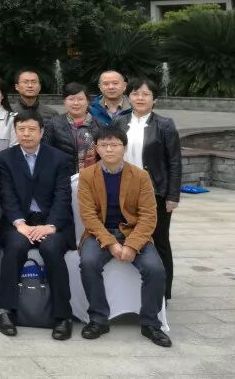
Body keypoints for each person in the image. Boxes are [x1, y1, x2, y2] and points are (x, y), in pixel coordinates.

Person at [78, 126, 171, 347]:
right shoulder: (87, 175)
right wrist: (111, 243)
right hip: (99, 233)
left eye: (115, 144)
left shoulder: (140, 176)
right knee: (88, 262)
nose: (109, 149)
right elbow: (88, 216)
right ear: (96, 149)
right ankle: (98, 319)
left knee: (156, 269)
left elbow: (148, 216)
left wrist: (132, 245)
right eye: (104, 145)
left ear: (124, 148)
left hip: (133, 232)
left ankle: (150, 323)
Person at [0, 109, 75, 340]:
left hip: (52, 222)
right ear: (15, 131)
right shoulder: (5, 158)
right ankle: (7, 311)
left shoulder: (59, 158)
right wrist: (20, 224)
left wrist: (51, 226)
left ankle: (63, 316)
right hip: (18, 222)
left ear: (41, 131)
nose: (26, 134)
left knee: (51, 248)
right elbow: (6, 195)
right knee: (15, 247)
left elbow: (62, 196)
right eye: (21, 129)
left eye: (31, 129)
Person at [116, 78, 182, 300]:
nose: (140, 98)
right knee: (127, 238)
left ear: (155, 99)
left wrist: (173, 196)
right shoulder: (119, 122)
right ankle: (132, 290)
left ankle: (163, 293)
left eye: (146, 94)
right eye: (135, 93)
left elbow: (174, 162)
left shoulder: (165, 125)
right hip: (123, 192)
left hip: (155, 193)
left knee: (159, 241)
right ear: (129, 97)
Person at [46, 82, 102, 170]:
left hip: (92, 174)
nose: (76, 103)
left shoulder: (99, 125)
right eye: (71, 99)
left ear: (88, 101)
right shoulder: (53, 124)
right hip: (63, 174)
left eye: (80, 99)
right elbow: (46, 153)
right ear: (64, 101)